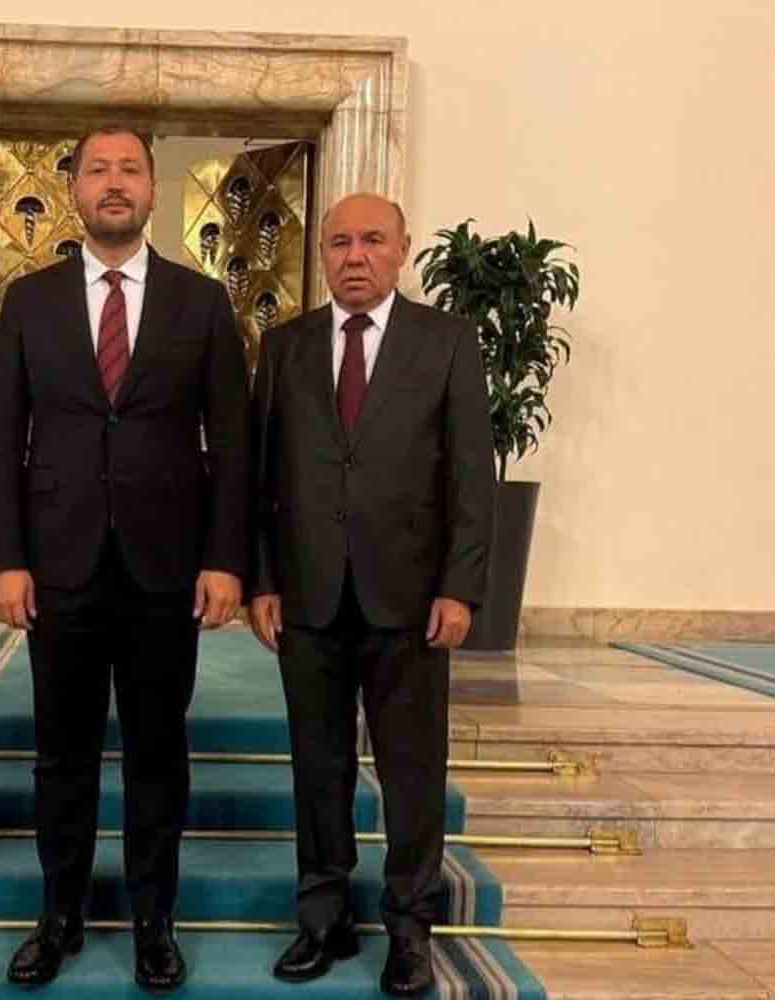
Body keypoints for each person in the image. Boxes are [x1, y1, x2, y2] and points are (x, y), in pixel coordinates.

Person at [0, 124, 251, 992]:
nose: (114, 182)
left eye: (129, 168)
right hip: (56, 567)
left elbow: (233, 442)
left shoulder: (201, 302)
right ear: (74, 188)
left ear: (152, 189)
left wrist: (225, 559)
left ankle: (153, 923)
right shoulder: (28, 300)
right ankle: (57, 916)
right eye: (97, 169)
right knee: (61, 754)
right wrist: (4, 557)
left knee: (156, 754)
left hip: (165, 570)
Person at [248, 193, 495, 997]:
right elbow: (260, 477)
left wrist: (460, 587)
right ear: (322, 254)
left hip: (411, 601)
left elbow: (471, 475)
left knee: (412, 772)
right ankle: (323, 917)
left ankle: (409, 926)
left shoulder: (448, 342)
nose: (355, 256)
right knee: (317, 768)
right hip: (309, 598)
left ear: (403, 250)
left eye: (373, 241)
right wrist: (262, 580)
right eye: (340, 243)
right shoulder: (284, 346)